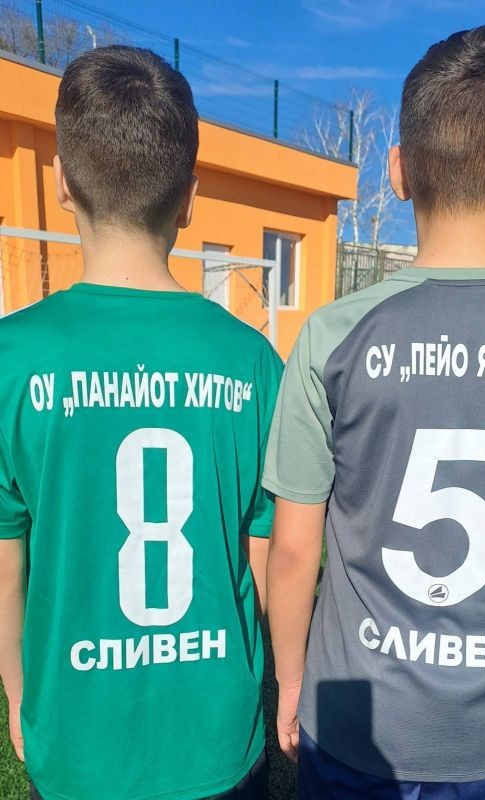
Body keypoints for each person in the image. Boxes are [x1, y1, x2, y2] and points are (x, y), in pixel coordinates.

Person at [264, 25, 485, 800]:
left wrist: (291, 681)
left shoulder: (333, 335)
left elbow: (293, 551)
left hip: (353, 717)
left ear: (400, 171)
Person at [0, 45, 282, 800]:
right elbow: (263, 558)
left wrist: (17, 688)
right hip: (215, 735)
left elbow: (5, 560)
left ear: (62, 184)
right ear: (190, 199)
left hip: (75, 739)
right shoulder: (253, 361)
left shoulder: (11, 359)